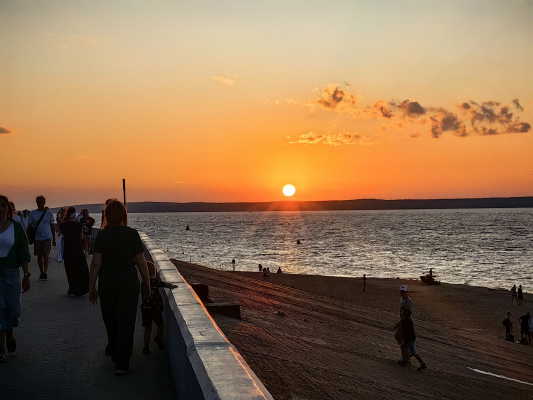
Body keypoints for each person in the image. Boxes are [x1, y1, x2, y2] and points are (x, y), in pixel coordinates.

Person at [88, 200, 150, 375]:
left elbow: (96, 263)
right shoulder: (132, 234)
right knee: (127, 320)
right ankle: (122, 363)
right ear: (124, 215)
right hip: (129, 282)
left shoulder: (102, 235)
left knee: (111, 319)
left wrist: (91, 287)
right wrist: (147, 283)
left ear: (107, 215)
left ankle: (115, 354)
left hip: (107, 282)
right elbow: (141, 262)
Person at [0, 195, 31, 363]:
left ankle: (9, 330)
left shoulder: (16, 227)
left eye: (3, 205)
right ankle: (1, 348)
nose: (0, 208)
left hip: (12, 272)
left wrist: (26, 275)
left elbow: (24, 252)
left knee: (13, 309)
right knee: (0, 308)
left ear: (8, 209)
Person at [141, 261, 177, 354]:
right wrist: (173, 286)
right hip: (155, 309)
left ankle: (146, 347)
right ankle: (158, 337)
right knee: (160, 324)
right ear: (154, 272)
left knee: (147, 328)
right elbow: (165, 285)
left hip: (145, 309)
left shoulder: (143, 283)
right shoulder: (155, 282)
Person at [60, 207, 89, 296]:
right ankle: (81, 288)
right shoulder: (79, 225)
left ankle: (72, 289)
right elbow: (81, 237)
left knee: (70, 269)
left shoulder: (63, 225)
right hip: (77, 249)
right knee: (80, 269)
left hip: (68, 249)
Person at [27, 195, 56, 280]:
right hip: (37, 237)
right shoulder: (33, 213)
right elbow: (29, 226)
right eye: (38, 202)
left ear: (44, 203)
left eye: (41, 202)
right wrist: (27, 237)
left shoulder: (49, 214)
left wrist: (54, 238)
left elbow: (52, 226)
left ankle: (45, 272)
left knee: (46, 255)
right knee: (39, 256)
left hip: (47, 237)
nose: (40, 203)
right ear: (36, 203)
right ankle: (41, 272)